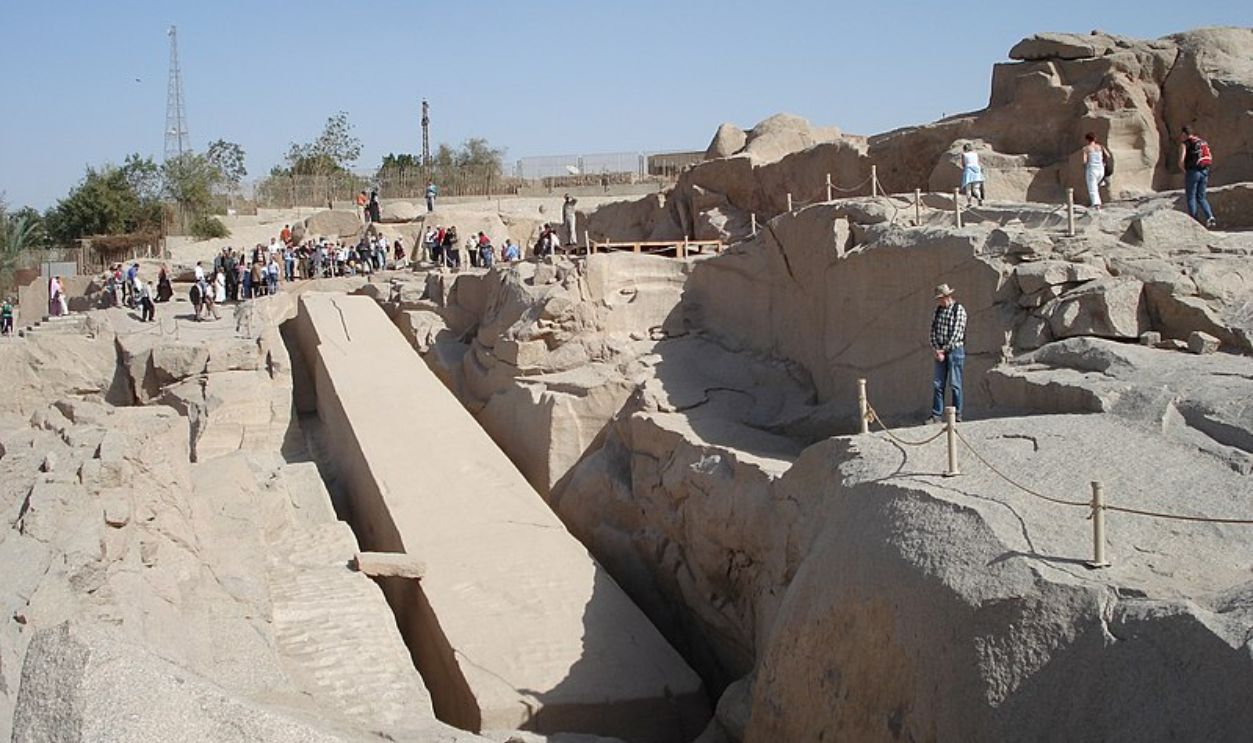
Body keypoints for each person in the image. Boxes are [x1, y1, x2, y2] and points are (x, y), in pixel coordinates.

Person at [928, 283, 967, 424]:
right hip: (940, 352)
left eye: (940, 298)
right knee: (938, 384)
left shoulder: (959, 310)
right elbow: (932, 331)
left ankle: (957, 414)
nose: (939, 301)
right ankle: (936, 415)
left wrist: (943, 349)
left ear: (947, 296)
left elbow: (957, 333)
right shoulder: (938, 311)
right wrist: (936, 348)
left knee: (955, 384)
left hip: (955, 351)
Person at [1178, 127, 1216, 228]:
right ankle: (1210, 217)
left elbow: (1181, 161)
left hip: (1193, 172)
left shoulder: (1185, 144)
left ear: (1185, 134)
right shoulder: (1202, 142)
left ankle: (1194, 220)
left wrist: (1185, 171)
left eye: (1181, 135)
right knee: (1202, 197)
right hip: (1204, 171)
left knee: (1191, 197)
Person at [1081, 133, 1108, 210]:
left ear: (1087, 140)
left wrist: (1084, 166)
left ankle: (1096, 204)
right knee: (1096, 186)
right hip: (1101, 168)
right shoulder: (1100, 147)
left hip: (1092, 169)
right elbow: (1107, 155)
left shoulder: (1086, 148)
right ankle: (1098, 202)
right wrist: (1103, 161)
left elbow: (1084, 160)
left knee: (1092, 187)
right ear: (1095, 138)